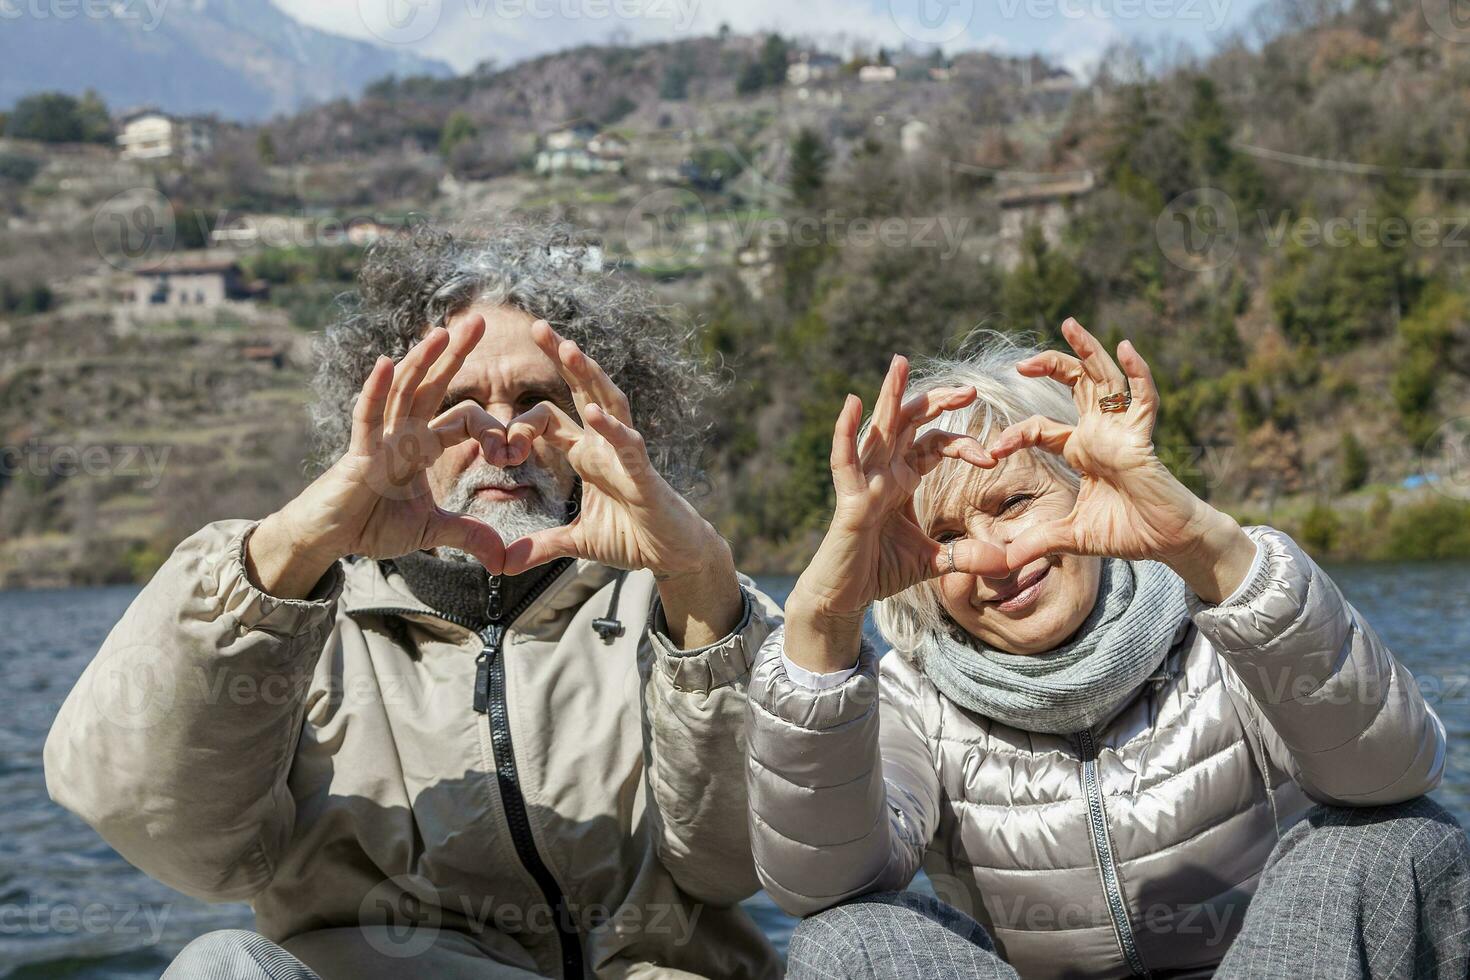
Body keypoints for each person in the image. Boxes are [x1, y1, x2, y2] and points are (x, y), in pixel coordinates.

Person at [45, 220, 783, 980]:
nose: (502, 435)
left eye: (538, 400)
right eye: (458, 405)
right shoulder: (295, 618)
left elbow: (734, 867)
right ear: (392, 428)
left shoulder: (678, 610)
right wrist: (294, 546)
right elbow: (162, 831)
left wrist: (696, 579)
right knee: (219, 965)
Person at [745, 320, 1468, 979]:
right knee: (849, 939)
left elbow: (1395, 769)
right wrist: (824, 620)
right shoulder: (911, 697)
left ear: (1088, 488)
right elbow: (822, 884)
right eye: (947, 537)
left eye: (1014, 503)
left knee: (1395, 842)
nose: (994, 558)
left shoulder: (1225, 626)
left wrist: (1201, 545)